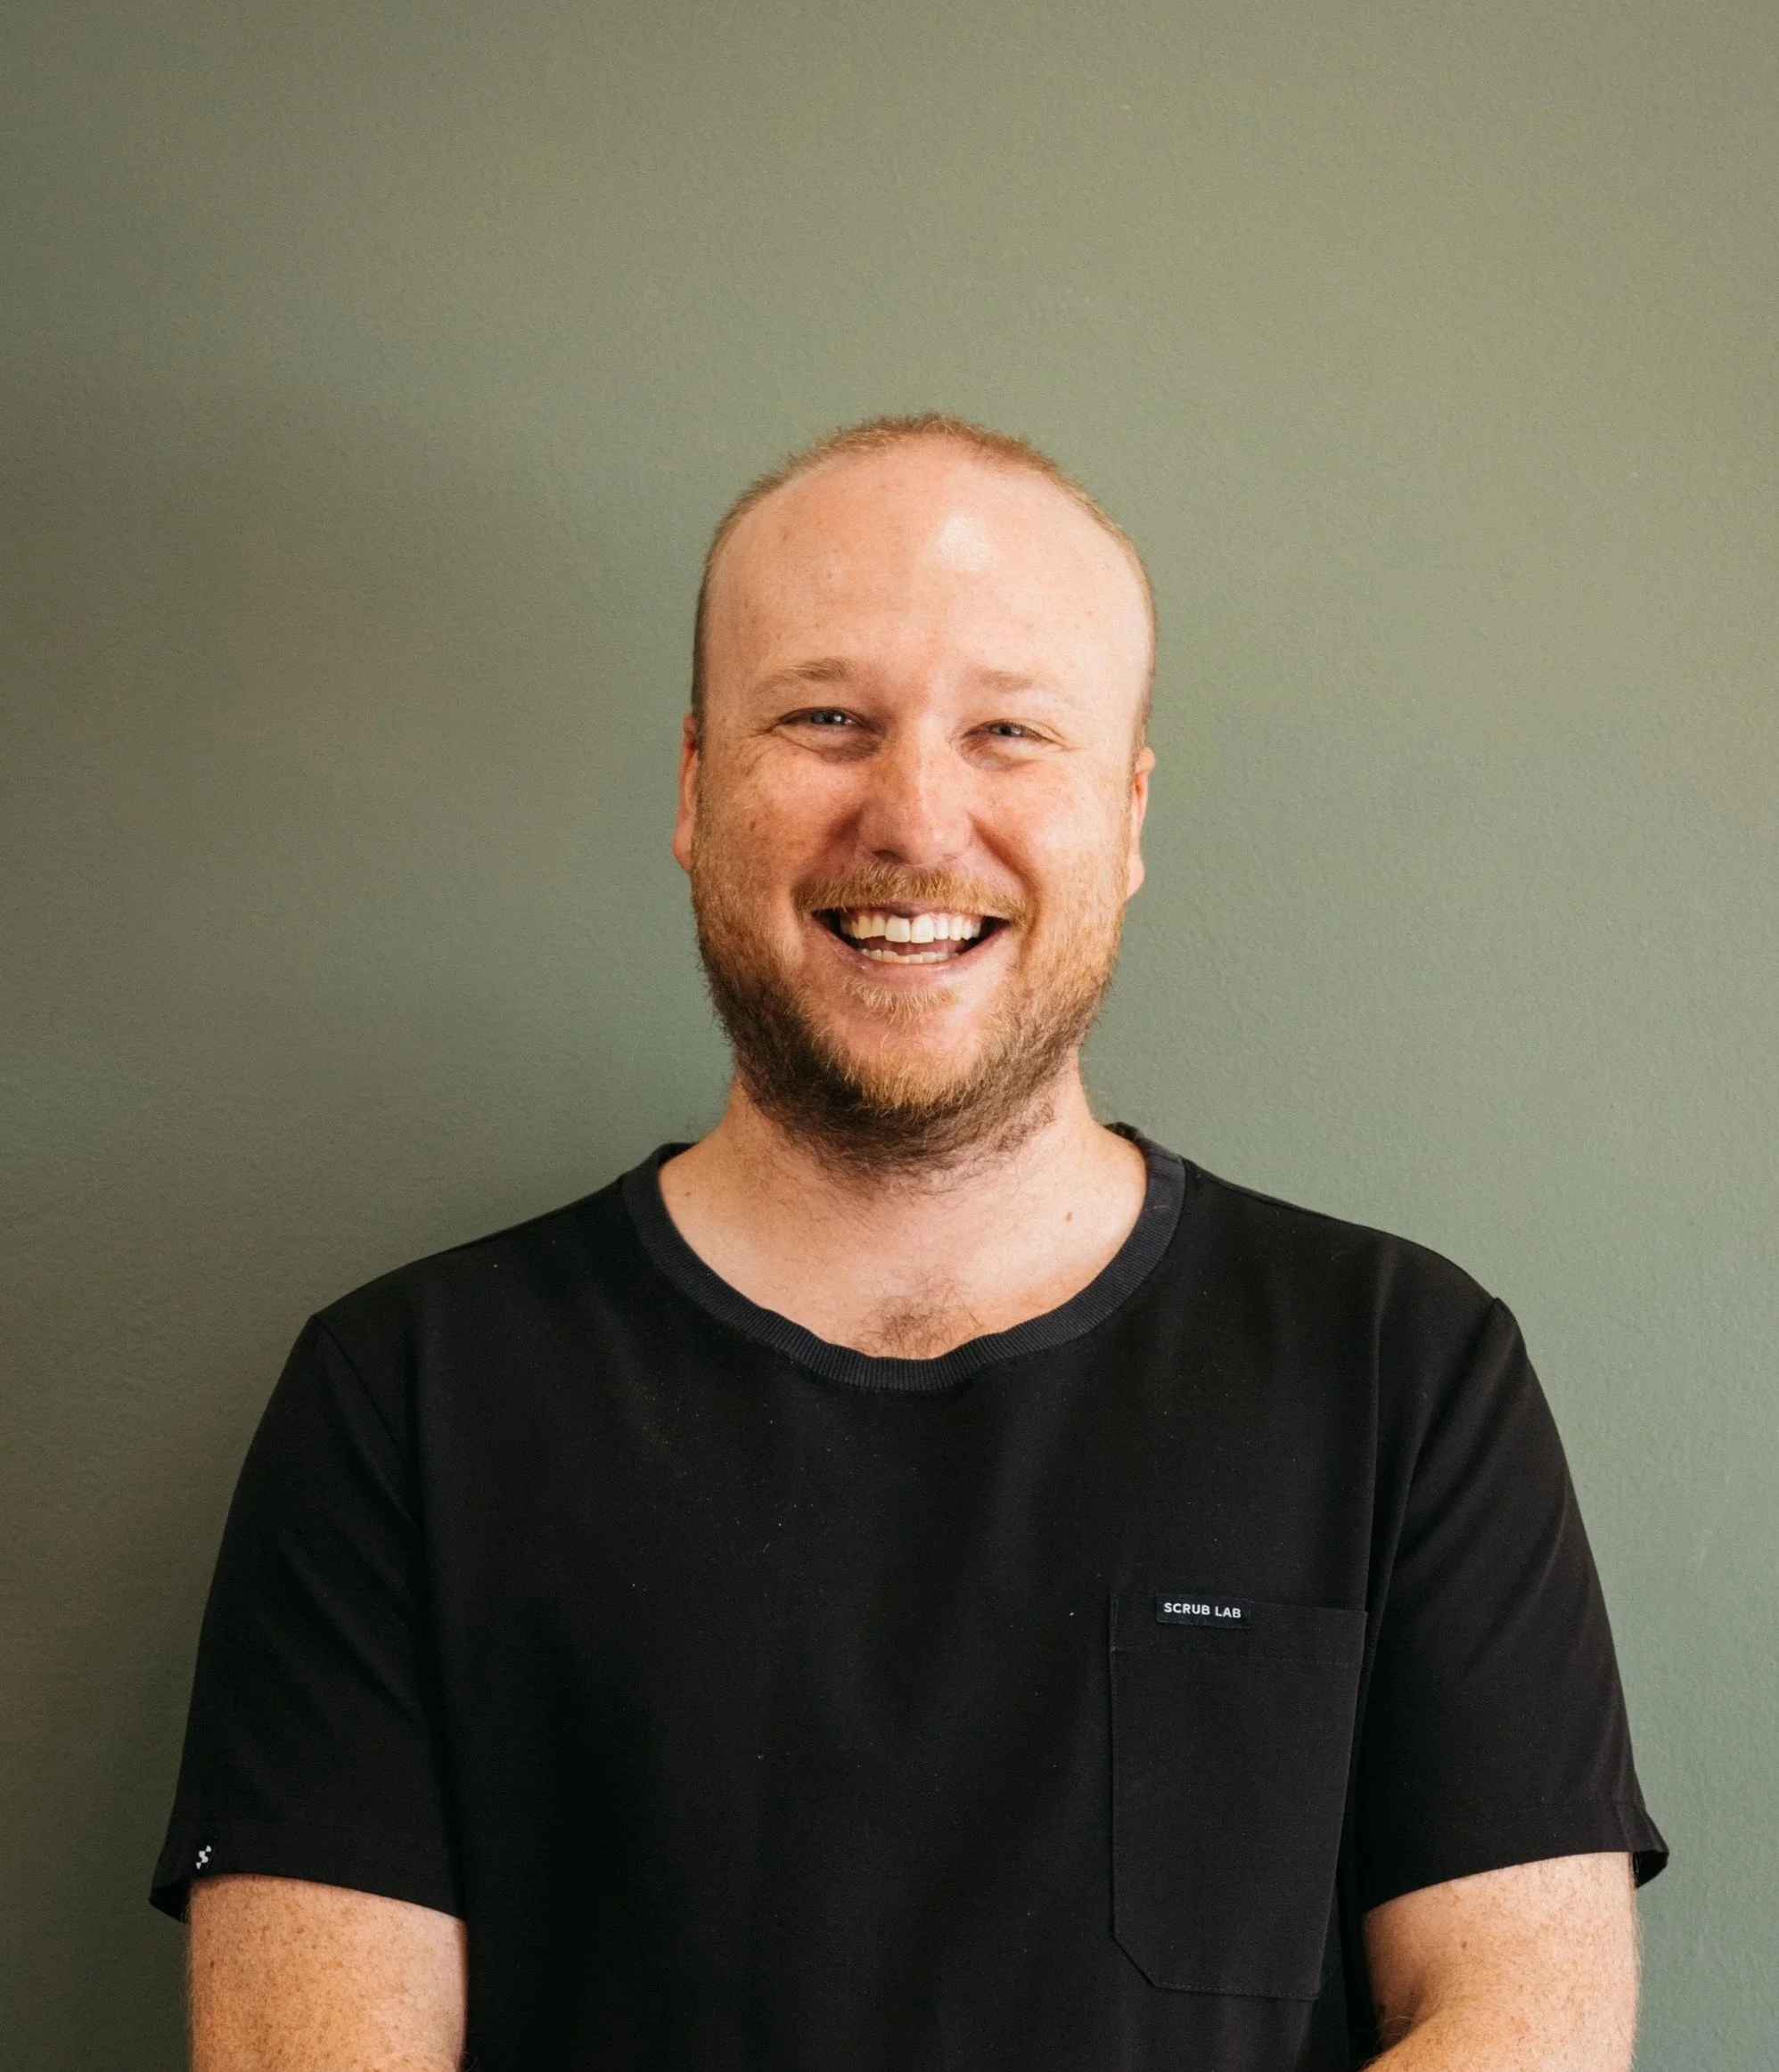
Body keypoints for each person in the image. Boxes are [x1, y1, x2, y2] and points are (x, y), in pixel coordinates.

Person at [152, 413, 1667, 2071]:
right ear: (694, 786)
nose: (917, 818)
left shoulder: (1402, 1371)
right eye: (825, 719)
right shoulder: (403, 1402)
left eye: (1013, 730)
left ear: (1132, 813)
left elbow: (1525, 2018)